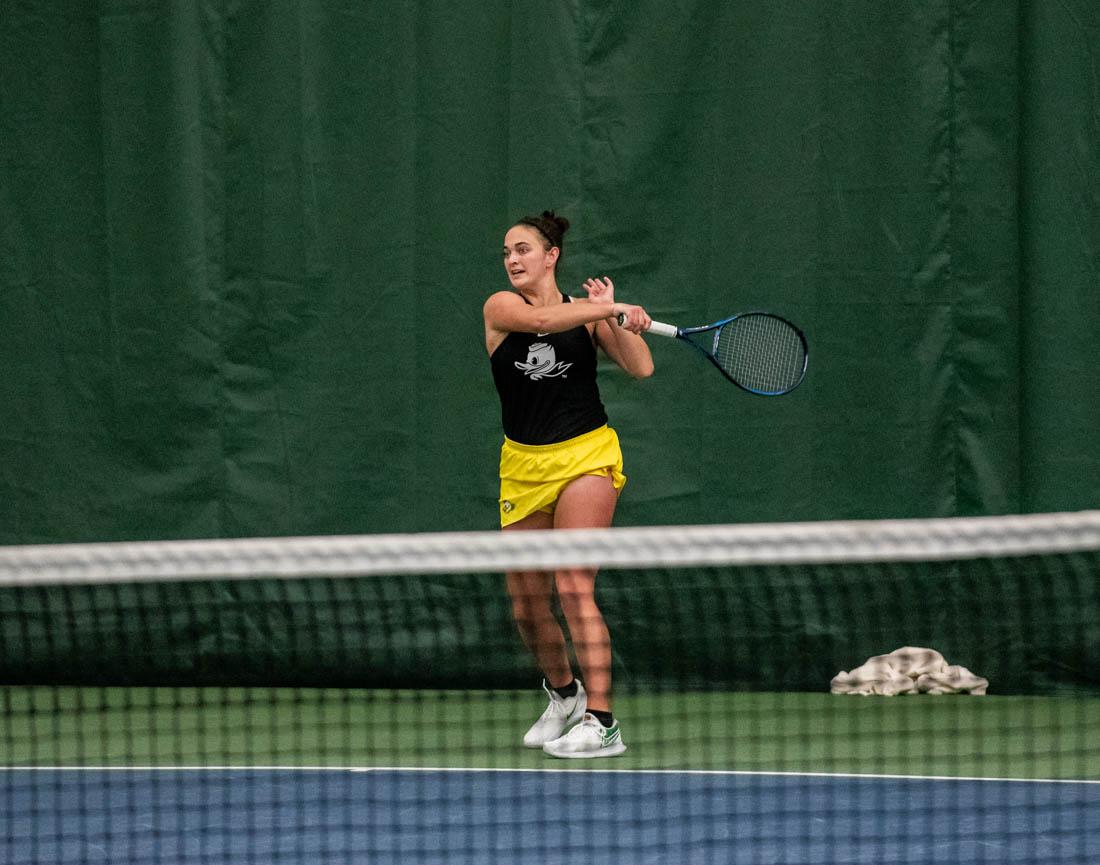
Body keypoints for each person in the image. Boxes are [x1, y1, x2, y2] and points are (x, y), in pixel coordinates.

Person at [483, 210, 654, 758]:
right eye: (508, 252)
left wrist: (621, 323)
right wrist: (609, 306)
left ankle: (603, 722)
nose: (513, 259)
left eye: (524, 249)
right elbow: (540, 325)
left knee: (574, 583)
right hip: (523, 466)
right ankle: (564, 695)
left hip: (588, 455)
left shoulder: (589, 317)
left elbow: (641, 368)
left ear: (551, 255)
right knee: (527, 606)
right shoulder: (500, 309)